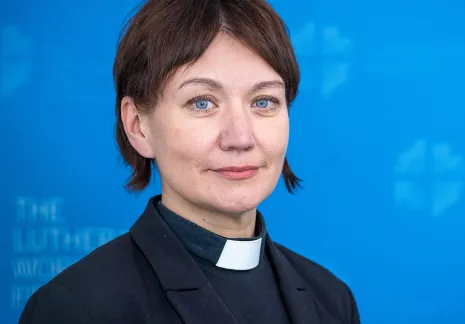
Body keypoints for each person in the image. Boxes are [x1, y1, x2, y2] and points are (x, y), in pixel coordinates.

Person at [19, 0, 361, 323]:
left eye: (263, 102)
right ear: (139, 125)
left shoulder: (331, 299)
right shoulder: (81, 307)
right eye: (201, 102)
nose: (240, 138)